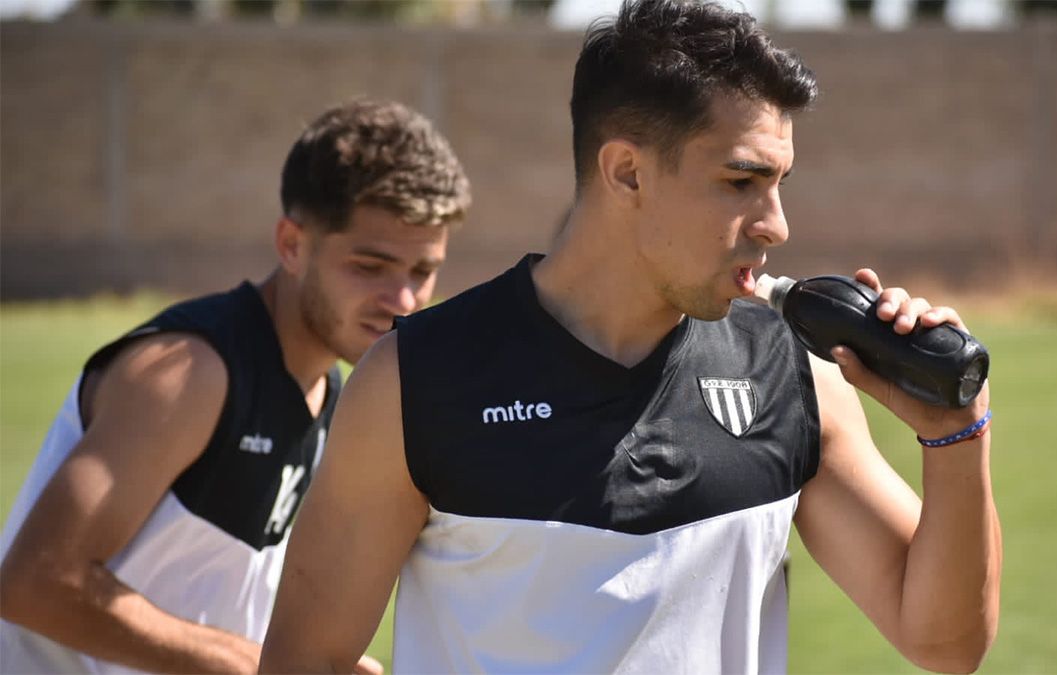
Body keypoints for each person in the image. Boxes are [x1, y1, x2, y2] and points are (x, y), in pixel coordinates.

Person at [260, 1, 1002, 672]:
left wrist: (958, 434)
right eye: (741, 182)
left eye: (780, 183)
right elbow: (305, 659)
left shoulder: (797, 374)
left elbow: (945, 642)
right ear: (626, 172)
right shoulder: (415, 380)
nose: (777, 224)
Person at [0, 99, 472, 674]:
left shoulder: (331, 390)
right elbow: (36, 582)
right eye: (369, 266)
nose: (403, 302)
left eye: (423, 272)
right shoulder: (191, 371)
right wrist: (254, 665)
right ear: (293, 245)